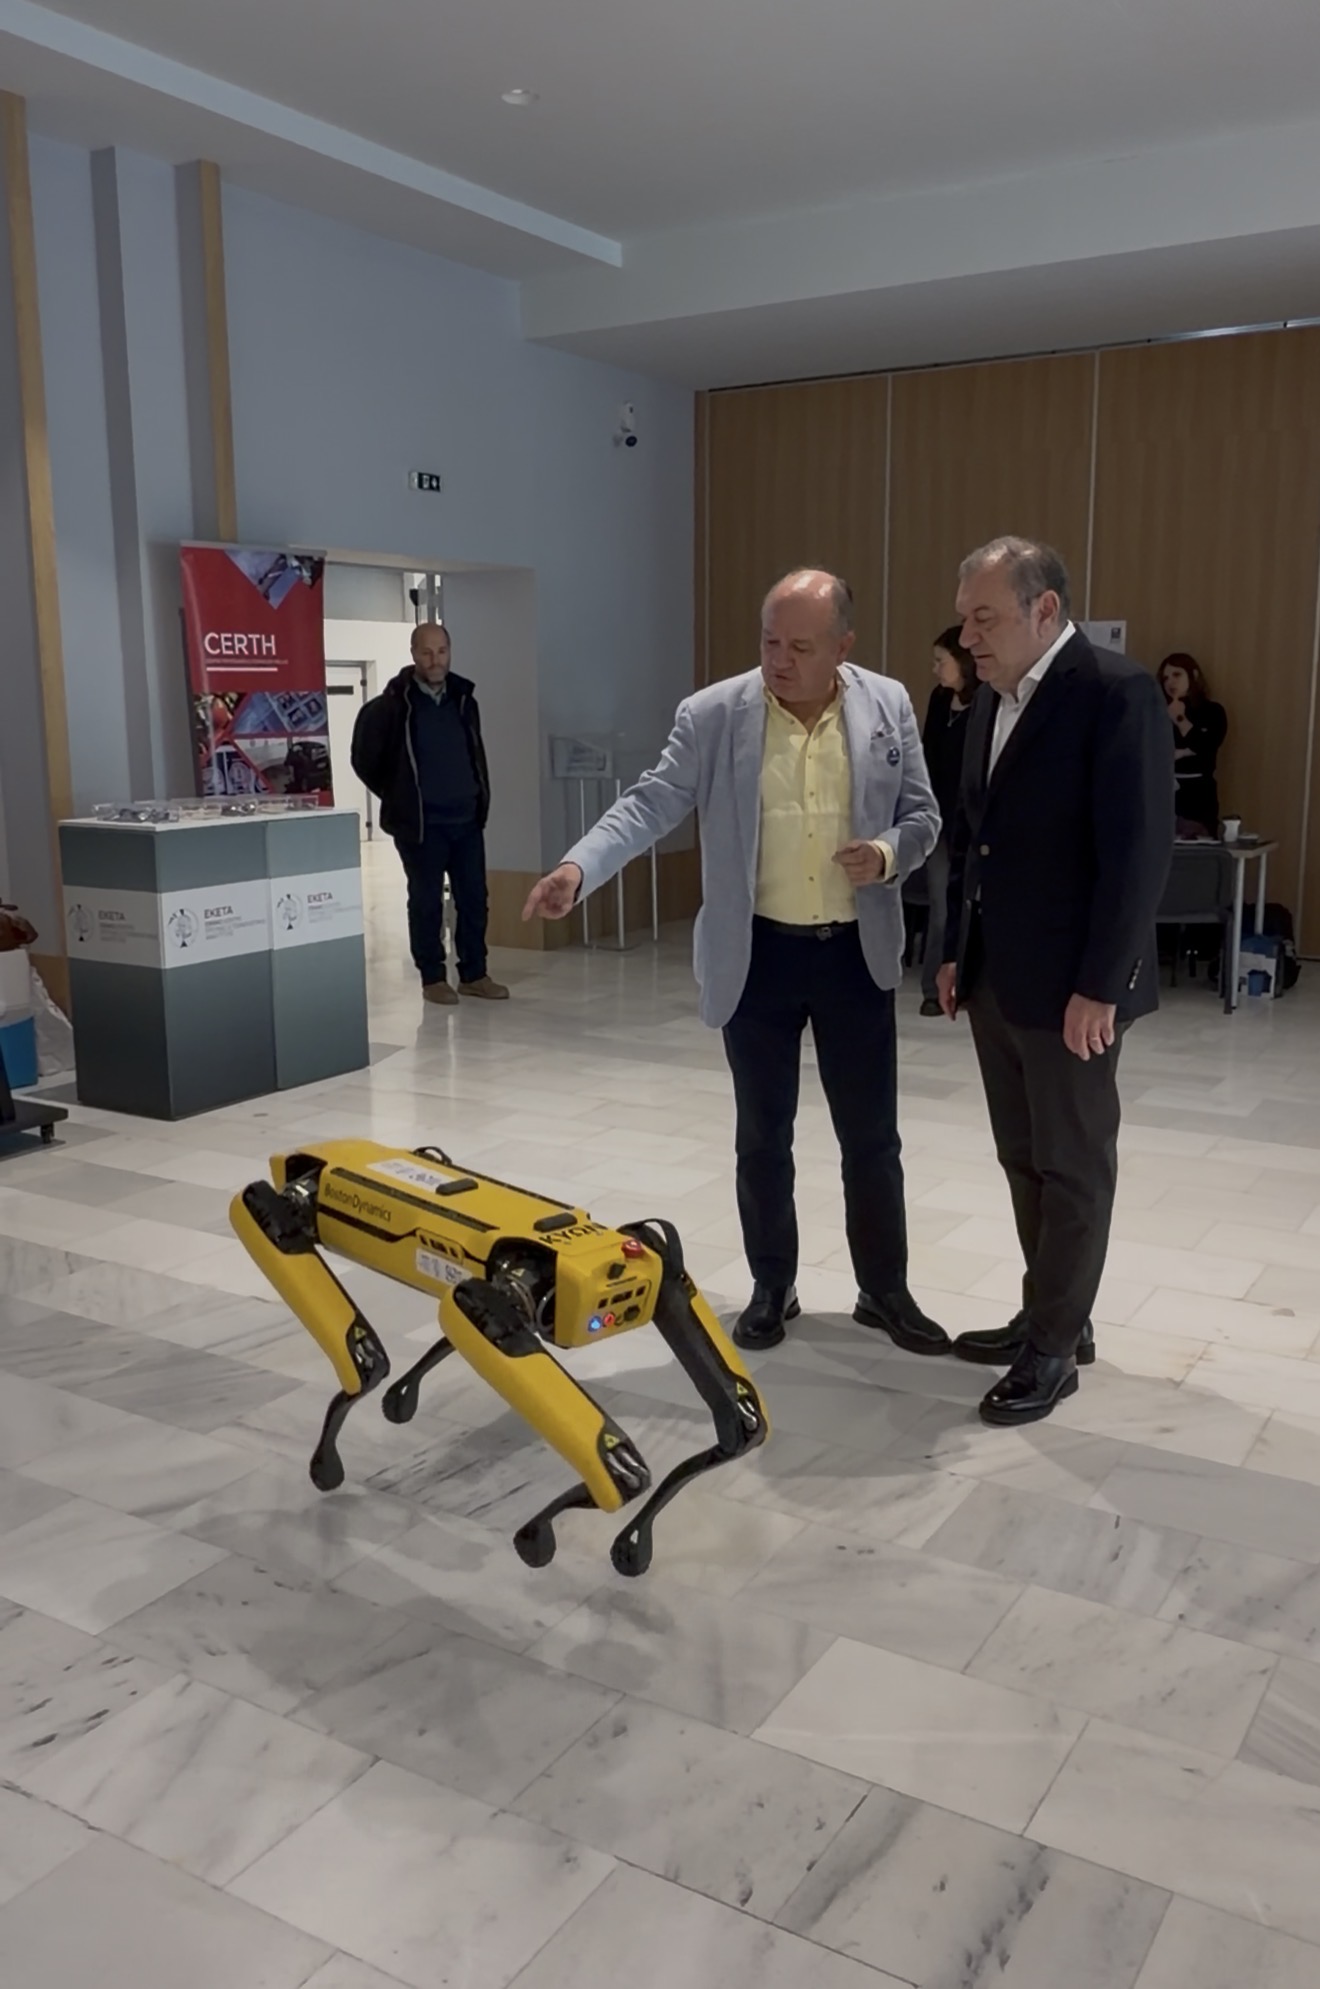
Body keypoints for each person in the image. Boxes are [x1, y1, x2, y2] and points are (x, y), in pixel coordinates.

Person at [523, 568, 947, 1356]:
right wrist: (579, 868)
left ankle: (883, 1289)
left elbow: (923, 814)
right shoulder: (714, 714)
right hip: (757, 955)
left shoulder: (887, 703)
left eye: (800, 646)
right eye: (769, 640)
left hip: (855, 955)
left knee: (871, 1139)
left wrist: (889, 853)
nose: (779, 659)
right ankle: (772, 1284)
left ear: (843, 646)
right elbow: (649, 802)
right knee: (762, 1136)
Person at [936, 537, 1173, 1426]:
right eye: (964, 619)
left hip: (1076, 988)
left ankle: (1053, 1349)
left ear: (1044, 610)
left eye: (984, 618)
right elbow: (973, 843)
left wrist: (1101, 985)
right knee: (1023, 1156)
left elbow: (1136, 853)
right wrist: (953, 951)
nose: (968, 636)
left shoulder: (1115, 693)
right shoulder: (985, 703)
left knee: (1072, 1164)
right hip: (997, 976)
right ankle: (1055, 1314)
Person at [351, 623, 508, 1005]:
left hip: (466, 821)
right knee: (426, 903)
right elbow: (365, 761)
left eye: (441, 651)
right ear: (413, 654)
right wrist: (401, 796)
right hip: (422, 826)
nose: (435, 660)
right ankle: (433, 977)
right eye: (426, 652)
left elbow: (474, 753)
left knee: (474, 899)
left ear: (450, 652)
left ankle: (474, 974)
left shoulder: (464, 699)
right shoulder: (390, 707)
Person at [918, 627, 976, 1016]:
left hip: (973, 822)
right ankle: (932, 988)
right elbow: (927, 754)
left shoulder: (987, 700)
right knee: (941, 907)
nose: (936, 668)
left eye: (942, 661)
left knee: (974, 907)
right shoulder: (940, 700)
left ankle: (971, 983)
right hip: (939, 820)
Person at [1158, 652, 1227, 837]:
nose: (1170, 682)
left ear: (1193, 675)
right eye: (1165, 678)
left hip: (1198, 797)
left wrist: (1180, 719)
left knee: (1195, 844)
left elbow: (1207, 746)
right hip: (1163, 794)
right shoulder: (1157, 713)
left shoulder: (1212, 711)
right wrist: (1186, 751)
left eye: (1177, 674)